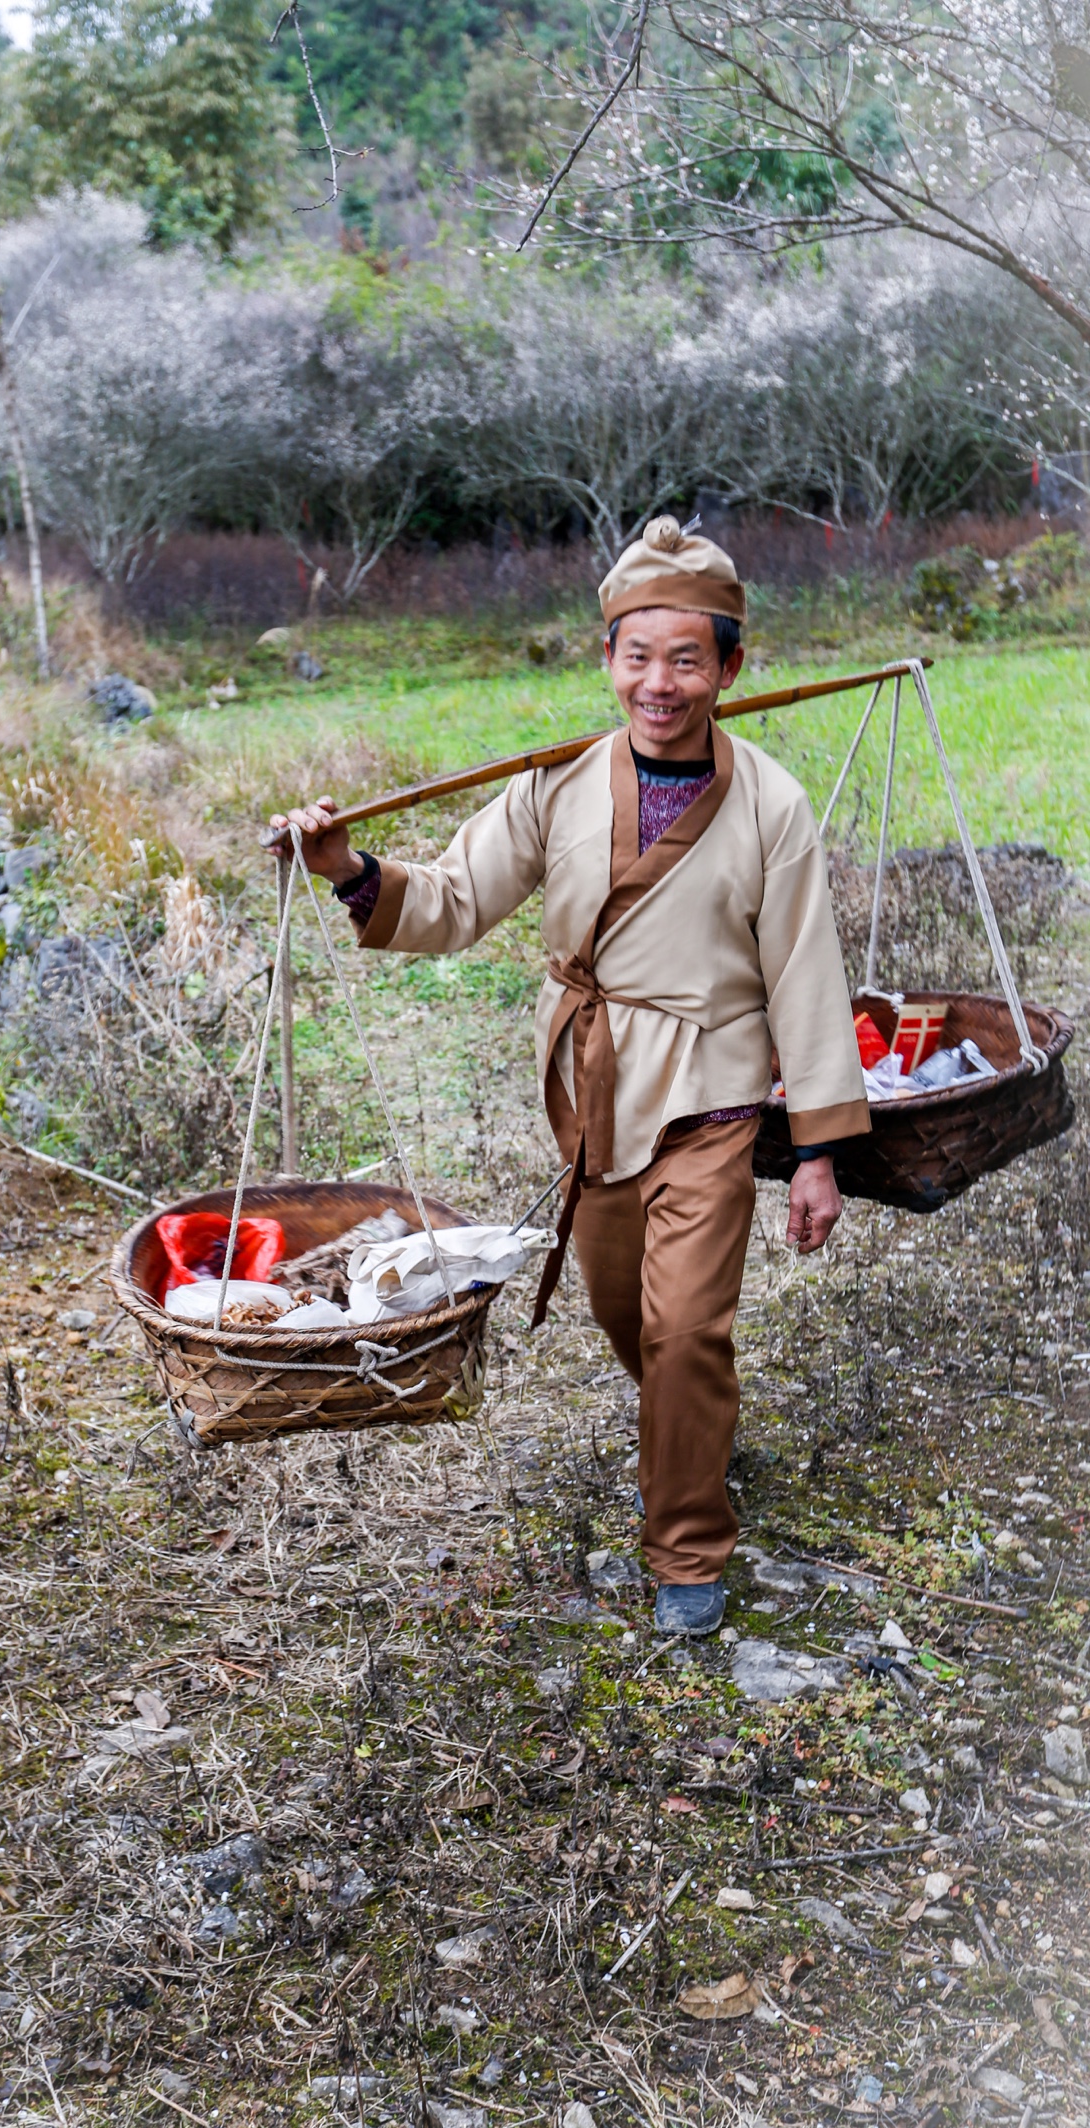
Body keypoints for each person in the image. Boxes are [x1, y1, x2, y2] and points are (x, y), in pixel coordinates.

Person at [270, 516, 869, 1636]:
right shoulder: (555, 789)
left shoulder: (773, 806)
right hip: (594, 1089)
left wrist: (822, 1153)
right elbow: (452, 900)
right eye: (637, 656)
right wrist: (345, 865)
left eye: (688, 658)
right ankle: (687, 1428)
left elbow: (806, 978)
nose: (660, 682)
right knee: (623, 1310)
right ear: (607, 661)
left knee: (686, 1327)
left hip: (714, 1085)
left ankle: (687, 1545)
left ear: (730, 668)